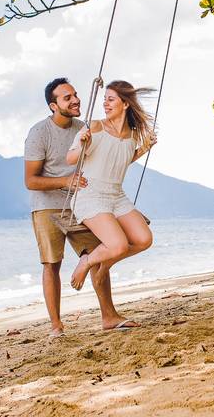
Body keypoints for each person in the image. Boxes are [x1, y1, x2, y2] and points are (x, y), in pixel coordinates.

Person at [24, 77, 139, 336]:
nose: (75, 100)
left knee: (99, 253)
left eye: (75, 94)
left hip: (84, 201)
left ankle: (108, 316)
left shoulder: (87, 126)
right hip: (48, 205)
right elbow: (30, 180)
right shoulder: (39, 133)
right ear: (53, 106)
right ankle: (56, 326)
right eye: (67, 97)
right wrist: (66, 180)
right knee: (52, 264)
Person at [66, 80, 157, 291]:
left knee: (144, 239)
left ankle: (105, 263)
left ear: (125, 104)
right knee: (118, 245)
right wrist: (82, 145)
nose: (105, 104)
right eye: (104, 99)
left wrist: (144, 149)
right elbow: (70, 159)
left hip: (116, 196)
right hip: (90, 195)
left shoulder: (133, 134)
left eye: (110, 99)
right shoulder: (94, 126)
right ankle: (87, 261)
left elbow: (119, 160)